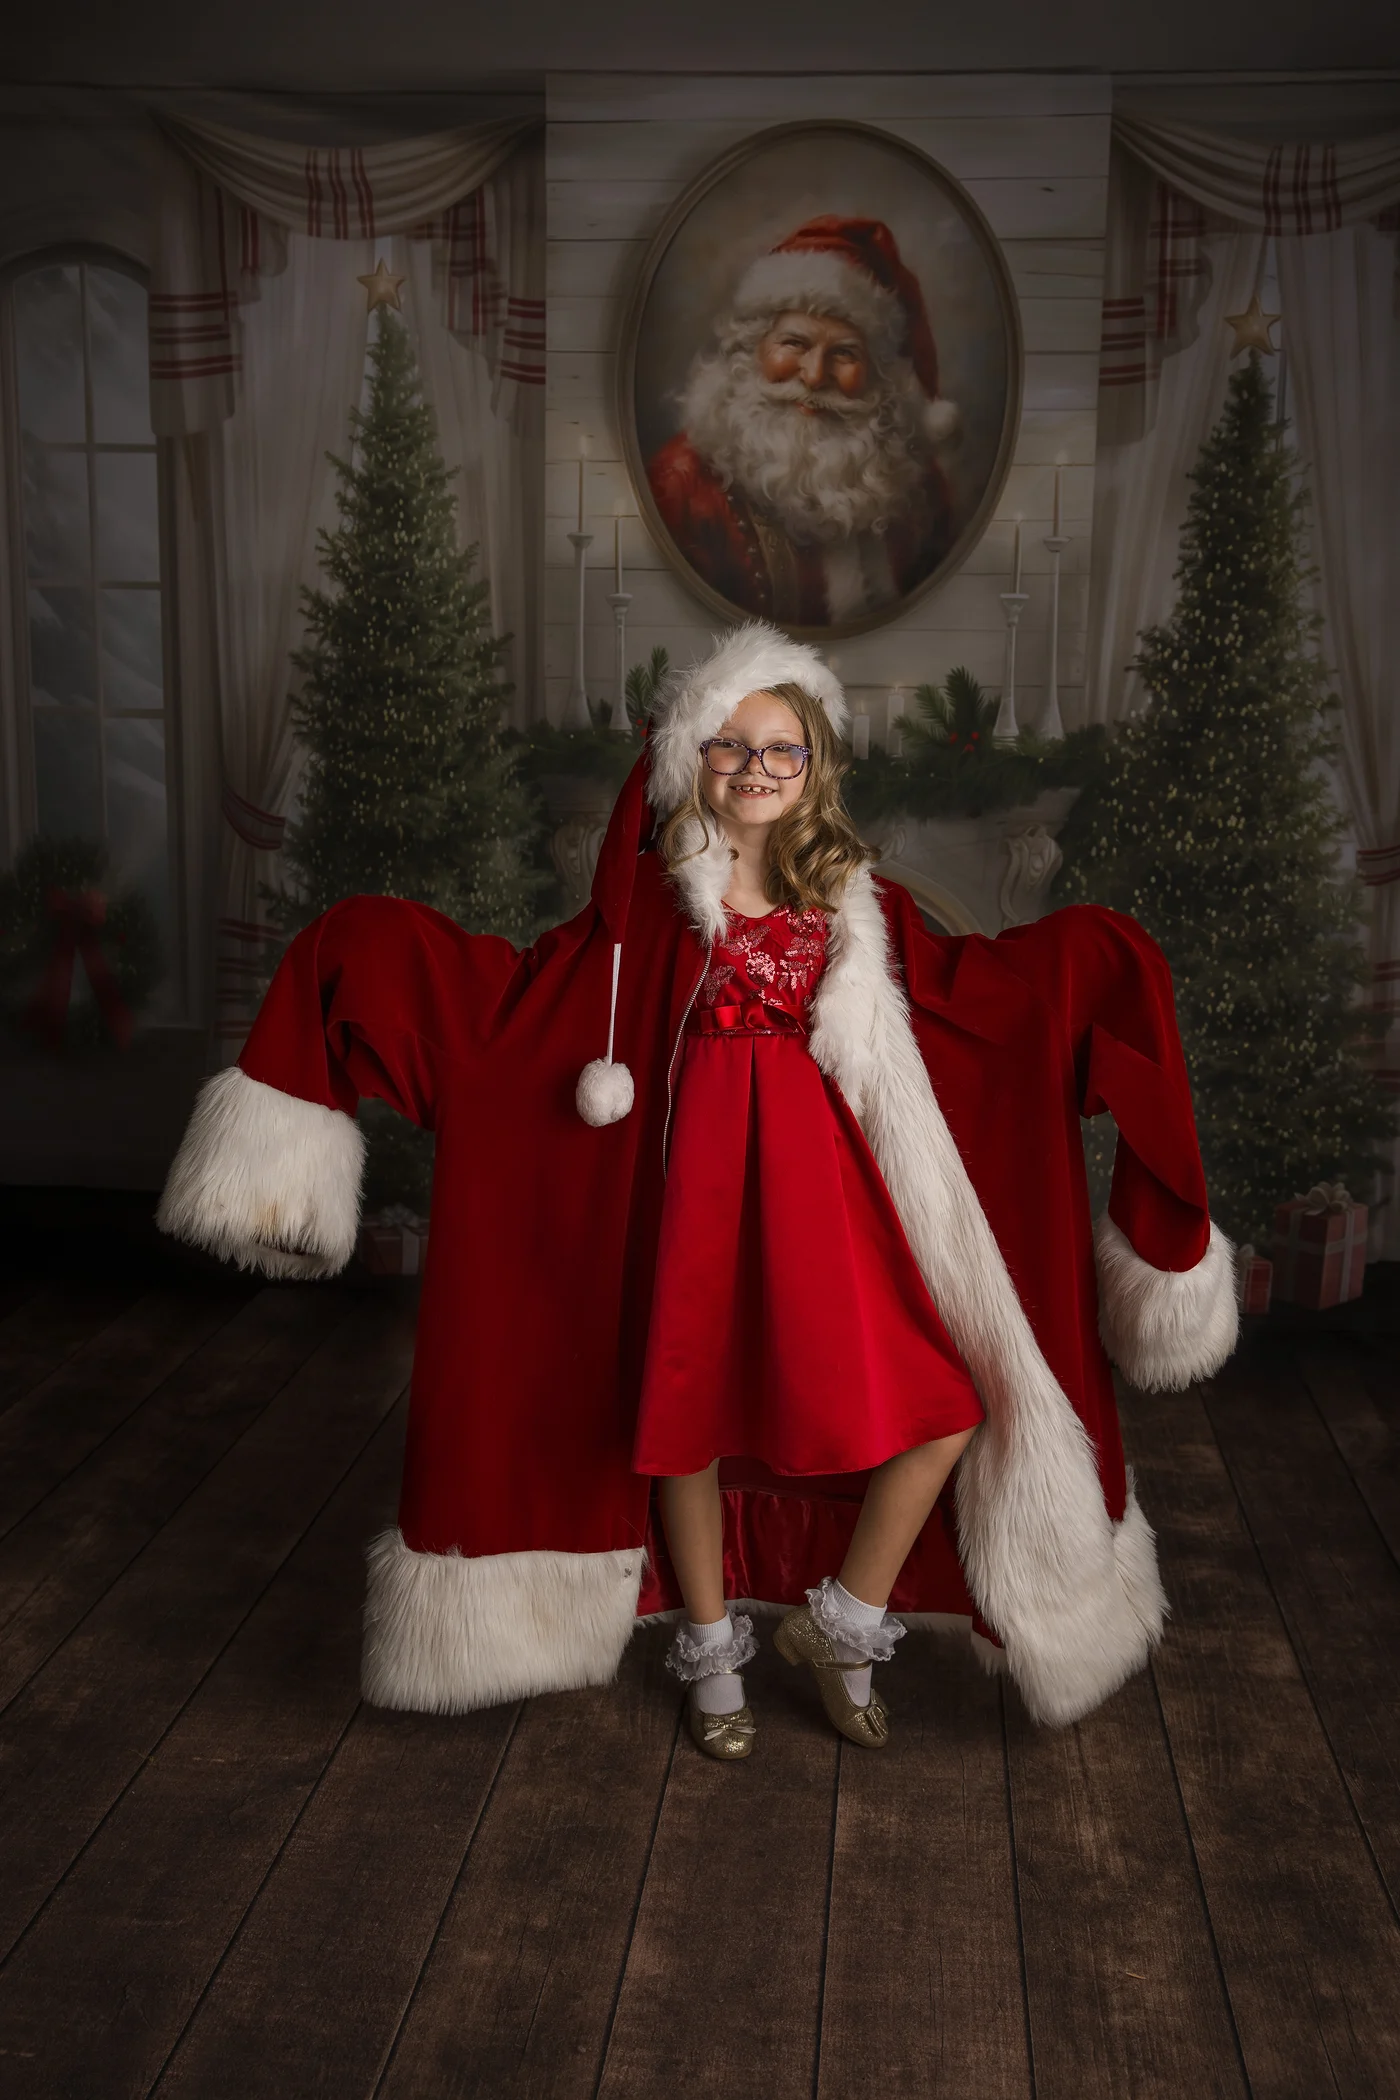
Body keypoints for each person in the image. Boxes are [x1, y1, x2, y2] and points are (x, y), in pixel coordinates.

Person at [157, 623, 1239, 1761]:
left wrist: (1094, 963)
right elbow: (532, 1010)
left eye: (782, 750)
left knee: (940, 1408)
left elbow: (979, 1006)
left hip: (820, 1197)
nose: (758, 770)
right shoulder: (649, 915)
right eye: (732, 748)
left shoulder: (854, 909)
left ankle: (847, 1627)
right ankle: (709, 1656)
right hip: (694, 1195)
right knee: (686, 1421)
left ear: (813, 765)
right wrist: (373, 953)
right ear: (691, 763)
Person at [648, 217, 961, 628]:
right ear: (751, 348)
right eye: (794, 343)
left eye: (845, 353)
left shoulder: (916, 484)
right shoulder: (680, 484)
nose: (814, 376)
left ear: (877, 374)